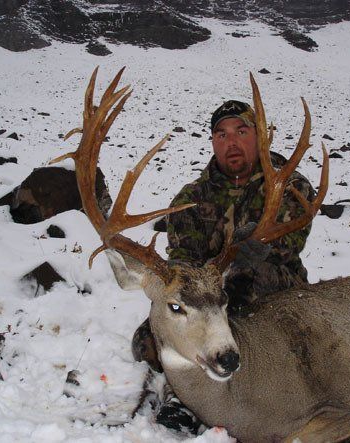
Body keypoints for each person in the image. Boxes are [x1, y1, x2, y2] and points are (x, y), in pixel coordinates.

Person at [132, 99, 315, 434]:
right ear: (213, 142)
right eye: (222, 134)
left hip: (276, 290)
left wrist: (260, 246)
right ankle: (186, 396)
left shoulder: (289, 186)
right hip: (209, 298)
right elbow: (183, 264)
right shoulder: (190, 199)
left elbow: (292, 243)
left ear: (259, 137)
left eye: (241, 131)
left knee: (247, 280)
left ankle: (261, 390)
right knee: (149, 339)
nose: (231, 142)